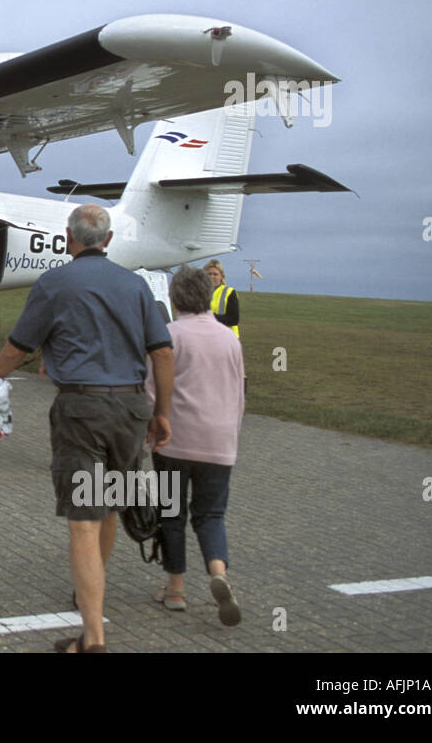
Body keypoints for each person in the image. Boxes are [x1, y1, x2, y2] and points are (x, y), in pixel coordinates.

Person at [0, 204, 173, 653]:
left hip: (82, 410)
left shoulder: (54, 284)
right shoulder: (136, 285)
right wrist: (162, 412)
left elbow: (17, 346)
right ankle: (90, 604)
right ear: (107, 241)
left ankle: (93, 640)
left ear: (70, 239)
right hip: (131, 410)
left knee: (83, 524)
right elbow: (162, 353)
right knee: (107, 508)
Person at [145, 266, 245, 626]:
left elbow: (152, 388)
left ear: (174, 297)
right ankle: (217, 570)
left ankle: (175, 589)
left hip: (175, 442)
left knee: (172, 513)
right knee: (211, 514)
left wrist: (150, 426)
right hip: (219, 441)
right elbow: (238, 391)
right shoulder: (229, 339)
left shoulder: (169, 335)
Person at [204, 259, 240, 338]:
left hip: (227, 337)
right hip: (206, 336)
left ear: (221, 276)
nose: (211, 277)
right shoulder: (198, 292)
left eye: (215, 274)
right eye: (209, 274)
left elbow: (234, 319)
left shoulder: (229, 292)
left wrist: (209, 317)